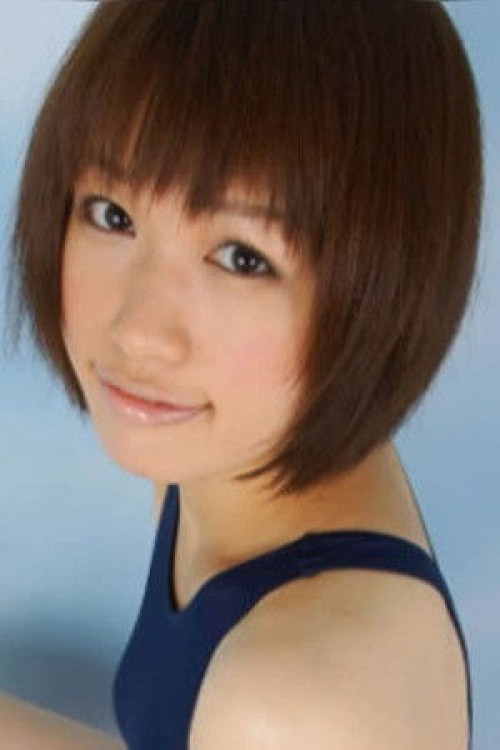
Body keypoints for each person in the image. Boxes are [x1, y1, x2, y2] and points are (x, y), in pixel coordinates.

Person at [4, 1, 483, 748]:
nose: (139, 332)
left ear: (384, 285)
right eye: (112, 215)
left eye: (241, 258)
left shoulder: (296, 702)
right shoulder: (236, 448)